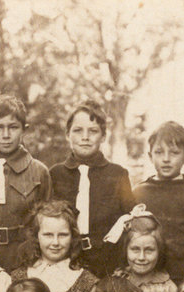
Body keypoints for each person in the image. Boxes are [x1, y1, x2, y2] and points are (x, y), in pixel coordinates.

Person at [49, 100, 135, 278]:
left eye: (93, 131)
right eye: (78, 130)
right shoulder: (55, 174)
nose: (85, 137)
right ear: (67, 135)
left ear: (103, 136)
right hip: (64, 260)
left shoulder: (118, 175)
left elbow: (130, 221)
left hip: (107, 262)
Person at [0, 94, 51, 271]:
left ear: (24, 130)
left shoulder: (39, 171)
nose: (5, 135)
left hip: (27, 258)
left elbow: (48, 221)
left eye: (13, 127)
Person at [11, 201, 97, 292]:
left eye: (63, 235)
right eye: (48, 235)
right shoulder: (19, 277)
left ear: (73, 236)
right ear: (36, 236)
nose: (55, 242)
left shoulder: (85, 280)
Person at [131, 121, 184, 285]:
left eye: (174, 153)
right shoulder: (138, 193)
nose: (166, 159)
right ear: (150, 156)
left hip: (182, 279)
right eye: (159, 152)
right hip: (144, 280)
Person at [110, 212, 177, 292]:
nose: (141, 257)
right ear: (125, 250)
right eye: (135, 249)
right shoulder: (116, 282)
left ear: (159, 251)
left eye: (149, 250)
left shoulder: (169, 290)